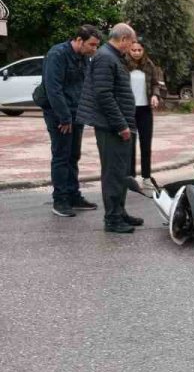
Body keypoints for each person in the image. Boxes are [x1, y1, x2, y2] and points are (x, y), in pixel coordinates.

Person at [76, 23, 142, 235]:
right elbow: (104, 95)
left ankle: (119, 212)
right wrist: (121, 125)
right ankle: (112, 218)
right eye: (131, 42)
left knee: (121, 172)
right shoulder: (105, 57)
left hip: (118, 124)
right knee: (113, 173)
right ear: (123, 39)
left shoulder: (113, 56)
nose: (132, 47)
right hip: (111, 126)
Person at [38, 24, 101, 218]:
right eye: (92, 45)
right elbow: (53, 89)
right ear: (79, 40)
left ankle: (73, 196)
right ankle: (60, 200)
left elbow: (85, 85)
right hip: (59, 115)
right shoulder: (57, 55)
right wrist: (64, 117)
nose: (94, 49)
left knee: (73, 155)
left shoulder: (84, 58)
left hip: (76, 113)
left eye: (97, 45)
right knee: (61, 156)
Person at [126, 40, 164, 190]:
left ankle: (146, 177)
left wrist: (155, 95)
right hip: (129, 110)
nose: (136, 53)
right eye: (133, 50)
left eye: (139, 50)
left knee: (146, 144)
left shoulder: (149, 65)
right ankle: (130, 178)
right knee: (130, 145)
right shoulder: (123, 64)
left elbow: (155, 83)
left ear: (143, 51)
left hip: (145, 110)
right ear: (129, 51)